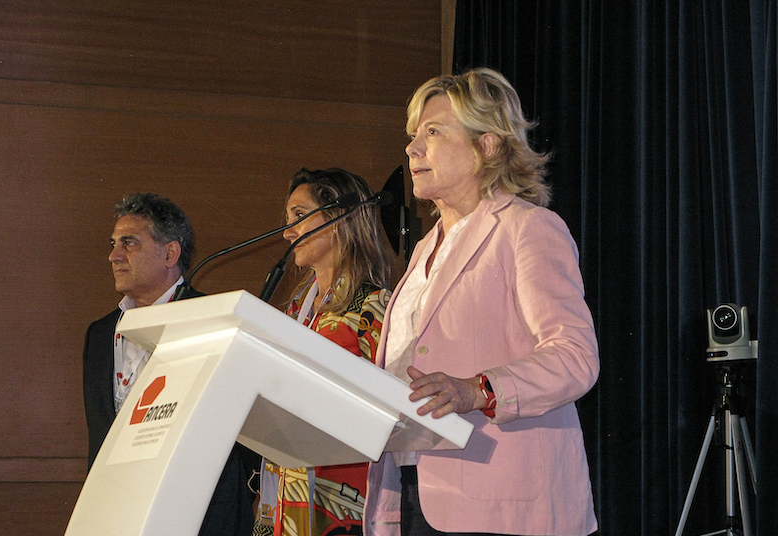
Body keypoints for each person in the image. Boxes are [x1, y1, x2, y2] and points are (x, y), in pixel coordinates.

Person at [363, 68, 600, 536]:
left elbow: (575, 358)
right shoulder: (426, 246)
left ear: (487, 145)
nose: (412, 149)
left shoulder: (528, 229)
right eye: (413, 136)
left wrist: (478, 389)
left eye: (432, 132)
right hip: (414, 487)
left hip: (502, 503)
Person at [83, 192, 261, 535]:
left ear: (170, 253)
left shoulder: (215, 319)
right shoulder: (99, 335)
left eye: (129, 243)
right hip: (119, 515)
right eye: (113, 243)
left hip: (204, 517)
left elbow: (246, 432)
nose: (113, 255)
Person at [254, 168, 395, 536]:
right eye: (287, 220)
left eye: (299, 216)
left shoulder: (374, 307)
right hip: (287, 498)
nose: (287, 232)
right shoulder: (292, 313)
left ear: (339, 219)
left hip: (344, 504)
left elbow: (394, 408)